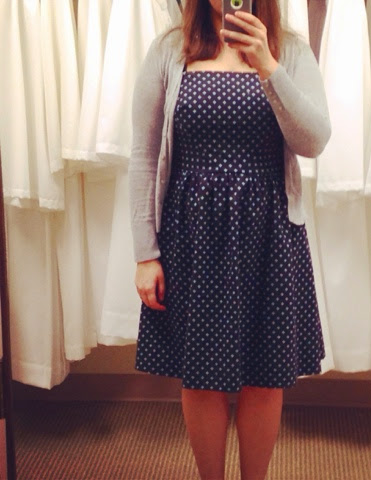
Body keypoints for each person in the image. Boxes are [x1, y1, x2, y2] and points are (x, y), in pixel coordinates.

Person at [128, 0, 331, 478]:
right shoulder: (169, 49)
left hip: (269, 238)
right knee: (201, 377)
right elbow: (143, 154)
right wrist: (145, 253)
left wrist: (268, 66)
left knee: (265, 377)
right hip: (192, 239)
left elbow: (314, 141)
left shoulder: (290, 51)